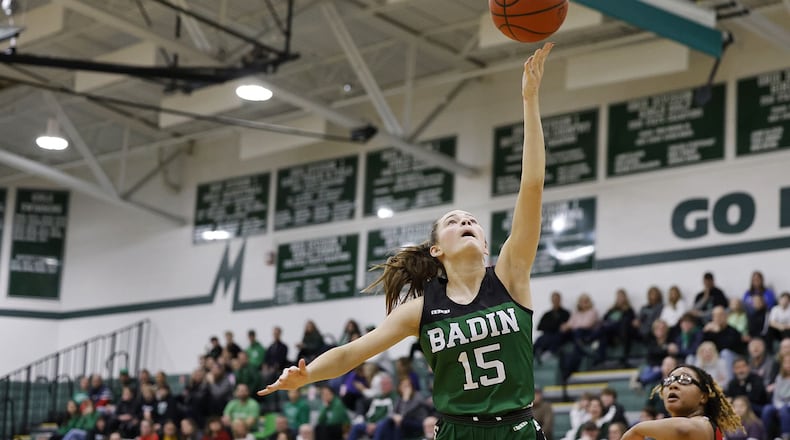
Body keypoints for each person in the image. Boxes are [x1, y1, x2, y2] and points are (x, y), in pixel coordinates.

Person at [258, 42, 555, 440]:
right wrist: (305, 375)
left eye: (472, 220)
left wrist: (530, 99)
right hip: (457, 432)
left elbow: (532, 185)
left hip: (516, 428)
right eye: (453, 221)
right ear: (437, 249)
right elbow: (353, 353)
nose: (466, 220)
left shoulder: (510, 276)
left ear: (486, 245)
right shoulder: (421, 309)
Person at [620, 364, 741, 440]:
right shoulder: (668, 432)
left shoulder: (704, 424)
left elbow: (684, 429)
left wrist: (637, 429)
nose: (673, 385)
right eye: (668, 380)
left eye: (685, 379)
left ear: (703, 397)